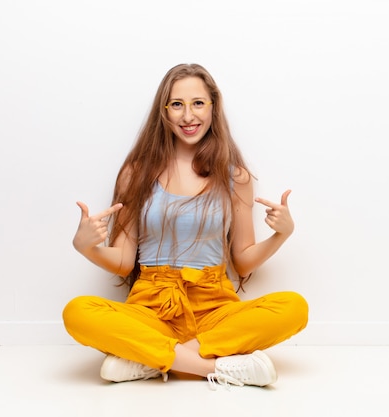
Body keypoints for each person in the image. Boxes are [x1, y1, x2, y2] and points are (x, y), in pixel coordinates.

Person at [62, 63, 309, 389]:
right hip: (152, 307)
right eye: (177, 104)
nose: (188, 115)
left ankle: (148, 359)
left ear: (213, 107)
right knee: (77, 312)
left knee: (294, 307)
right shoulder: (135, 174)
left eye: (198, 103)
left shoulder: (236, 177)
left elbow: (243, 259)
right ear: (163, 111)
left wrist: (282, 234)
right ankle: (216, 368)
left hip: (214, 307)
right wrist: (85, 247)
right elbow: (124, 263)